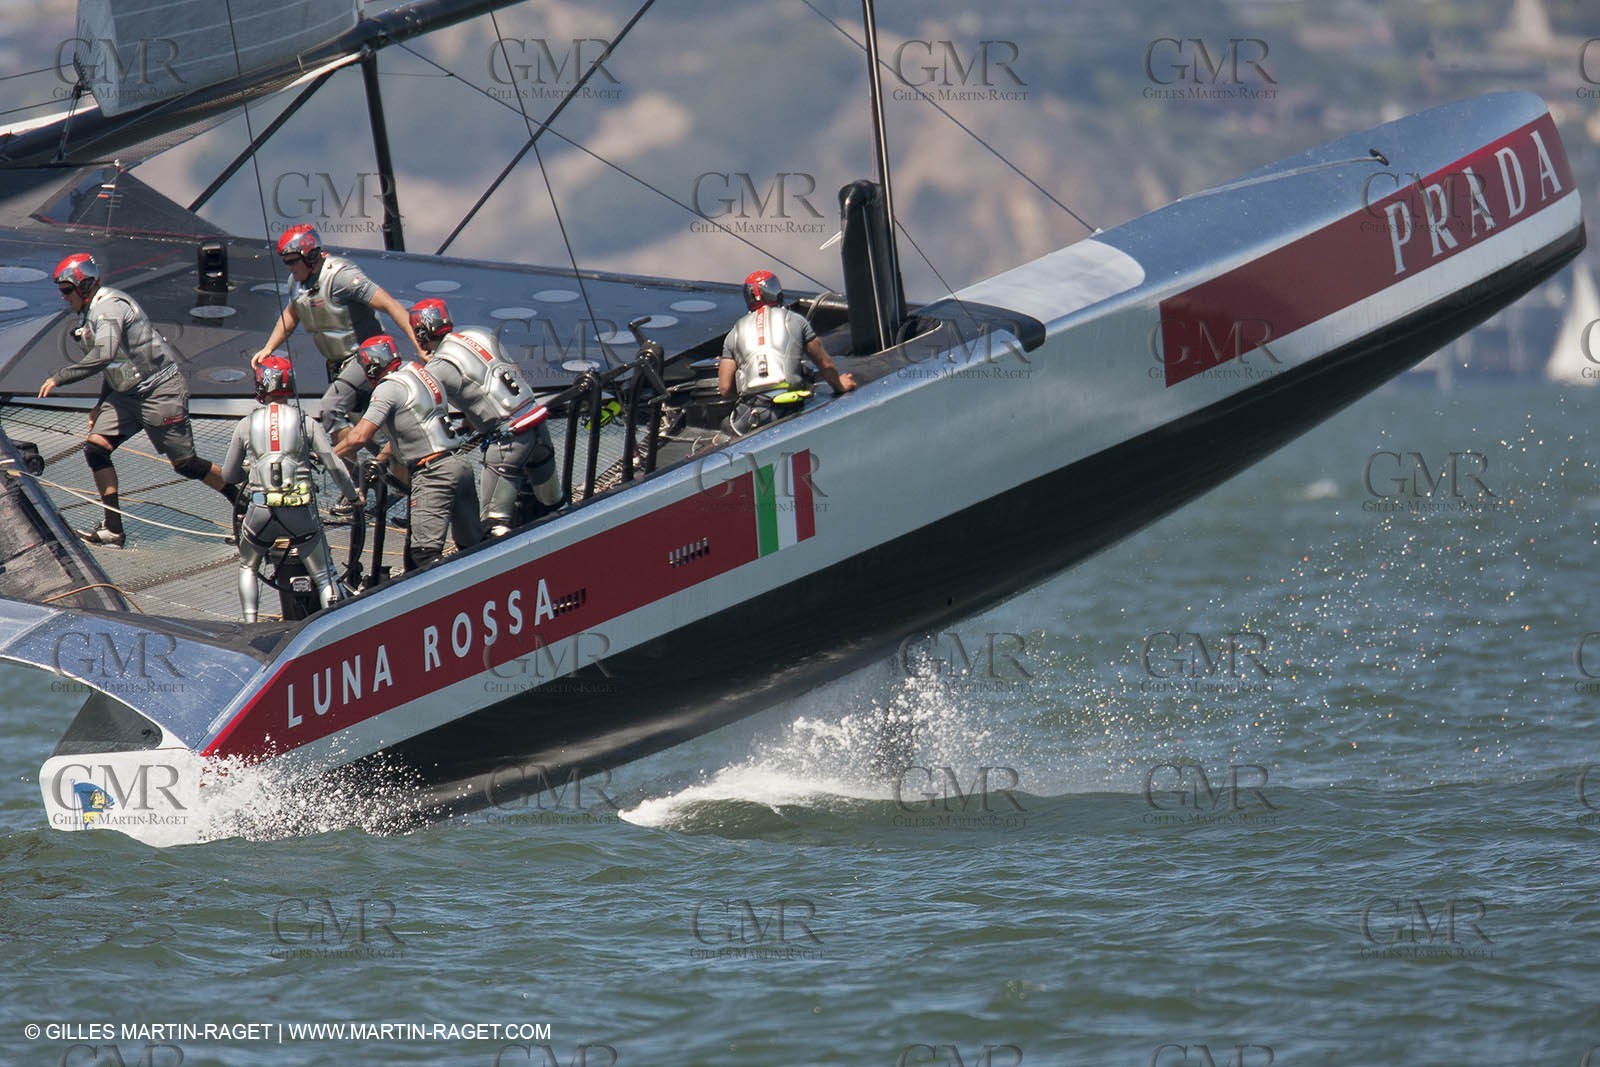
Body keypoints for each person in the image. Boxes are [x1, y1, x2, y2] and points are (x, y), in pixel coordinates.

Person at [38, 253, 233, 547]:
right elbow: (114, 364)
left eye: (66, 290)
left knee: (186, 465)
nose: (63, 298)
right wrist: (101, 403)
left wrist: (59, 377)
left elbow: (103, 355)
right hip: (126, 395)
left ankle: (244, 502)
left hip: (160, 391)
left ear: (85, 286)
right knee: (96, 450)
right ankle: (114, 529)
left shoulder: (108, 308)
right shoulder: (89, 311)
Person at [249, 225, 421, 516]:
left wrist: (420, 345)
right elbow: (293, 314)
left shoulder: (341, 276)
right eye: (286, 262)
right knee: (378, 433)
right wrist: (268, 347)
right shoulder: (297, 283)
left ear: (311, 255)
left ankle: (353, 488)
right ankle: (406, 488)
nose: (289, 267)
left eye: (293, 261)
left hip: (365, 360)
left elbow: (390, 305)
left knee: (331, 409)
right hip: (339, 366)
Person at [410, 298, 562, 538]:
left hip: (508, 441)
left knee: (494, 525)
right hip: (537, 422)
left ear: (420, 332)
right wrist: (474, 415)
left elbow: (418, 415)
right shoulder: (479, 334)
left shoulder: (437, 367)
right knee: (553, 504)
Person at [221, 356, 358, 622]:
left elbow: (228, 474)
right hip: (299, 511)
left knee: (248, 565)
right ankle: (332, 626)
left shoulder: (246, 424)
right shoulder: (306, 422)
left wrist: (249, 471)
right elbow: (334, 464)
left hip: (261, 511)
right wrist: (353, 497)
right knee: (323, 574)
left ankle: (250, 623)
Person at [334, 335, 480, 569]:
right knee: (472, 548)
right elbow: (413, 428)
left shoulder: (388, 388)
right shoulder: (419, 374)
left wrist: (327, 456)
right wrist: (380, 459)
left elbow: (359, 436)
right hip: (458, 464)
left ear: (371, 366)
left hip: (434, 474)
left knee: (423, 557)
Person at [719, 269, 856, 436]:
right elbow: (824, 363)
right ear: (777, 293)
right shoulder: (796, 320)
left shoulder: (734, 333)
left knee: (726, 428)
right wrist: (839, 385)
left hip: (753, 414)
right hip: (791, 408)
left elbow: (725, 388)